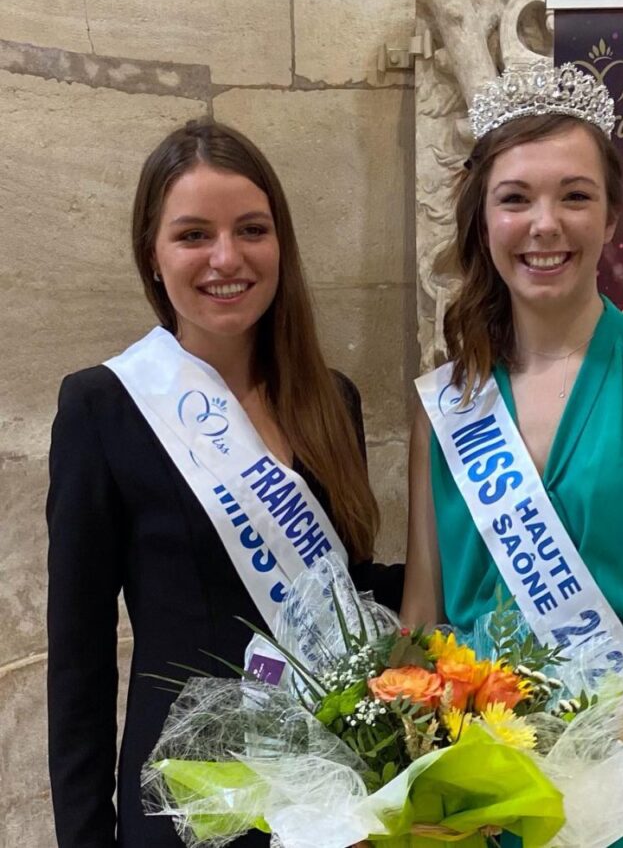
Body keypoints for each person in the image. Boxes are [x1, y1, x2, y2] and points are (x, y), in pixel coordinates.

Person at [402, 63, 623, 847]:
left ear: (613, 215)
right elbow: (422, 616)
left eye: (575, 196)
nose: (544, 224)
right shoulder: (445, 401)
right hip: (476, 778)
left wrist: (592, 774)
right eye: (515, 199)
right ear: (483, 218)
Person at [46, 119, 402, 847]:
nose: (226, 257)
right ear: (152, 254)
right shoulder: (103, 408)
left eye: (251, 230)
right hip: (190, 806)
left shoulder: (331, 400)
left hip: (331, 799)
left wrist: (463, 559)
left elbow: (344, 592)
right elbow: (79, 661)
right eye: (193, 235)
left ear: (281, 245)